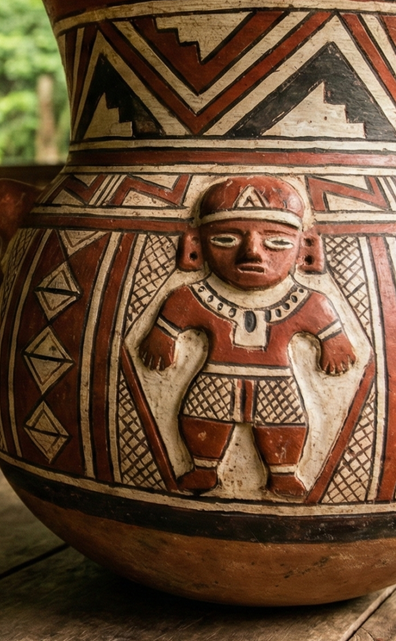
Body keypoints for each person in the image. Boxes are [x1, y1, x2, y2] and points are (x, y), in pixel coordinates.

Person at [140, 176, 356, 497]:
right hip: (218, 376)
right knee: (202, 418)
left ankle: (282, 473)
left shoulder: (305, 300)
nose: (252, 253)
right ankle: (204, 468)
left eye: (277, 243)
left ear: (306, 249)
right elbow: (177, 311)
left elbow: (328, 328)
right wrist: (162, 336)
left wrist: (334, 343)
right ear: (195, 247)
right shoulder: (196, 296)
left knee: (284, 424)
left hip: (276, 380)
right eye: (226, 240)